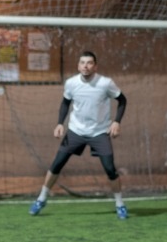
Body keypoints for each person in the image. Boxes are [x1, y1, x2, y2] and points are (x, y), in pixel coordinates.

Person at [28, 51, 129, 219]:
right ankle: (41, 199)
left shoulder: (105, 83)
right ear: (78, 66)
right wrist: (60, 123)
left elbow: (122, 100)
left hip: (99, 132)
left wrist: (117, 122)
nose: (86, 66)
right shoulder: (71, 83)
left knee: (110, 169)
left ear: (95, 66)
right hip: (76, 131)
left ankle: (120, 204)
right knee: (56, 164)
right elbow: (65, 103)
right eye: (82, 62)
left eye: (89, 63)